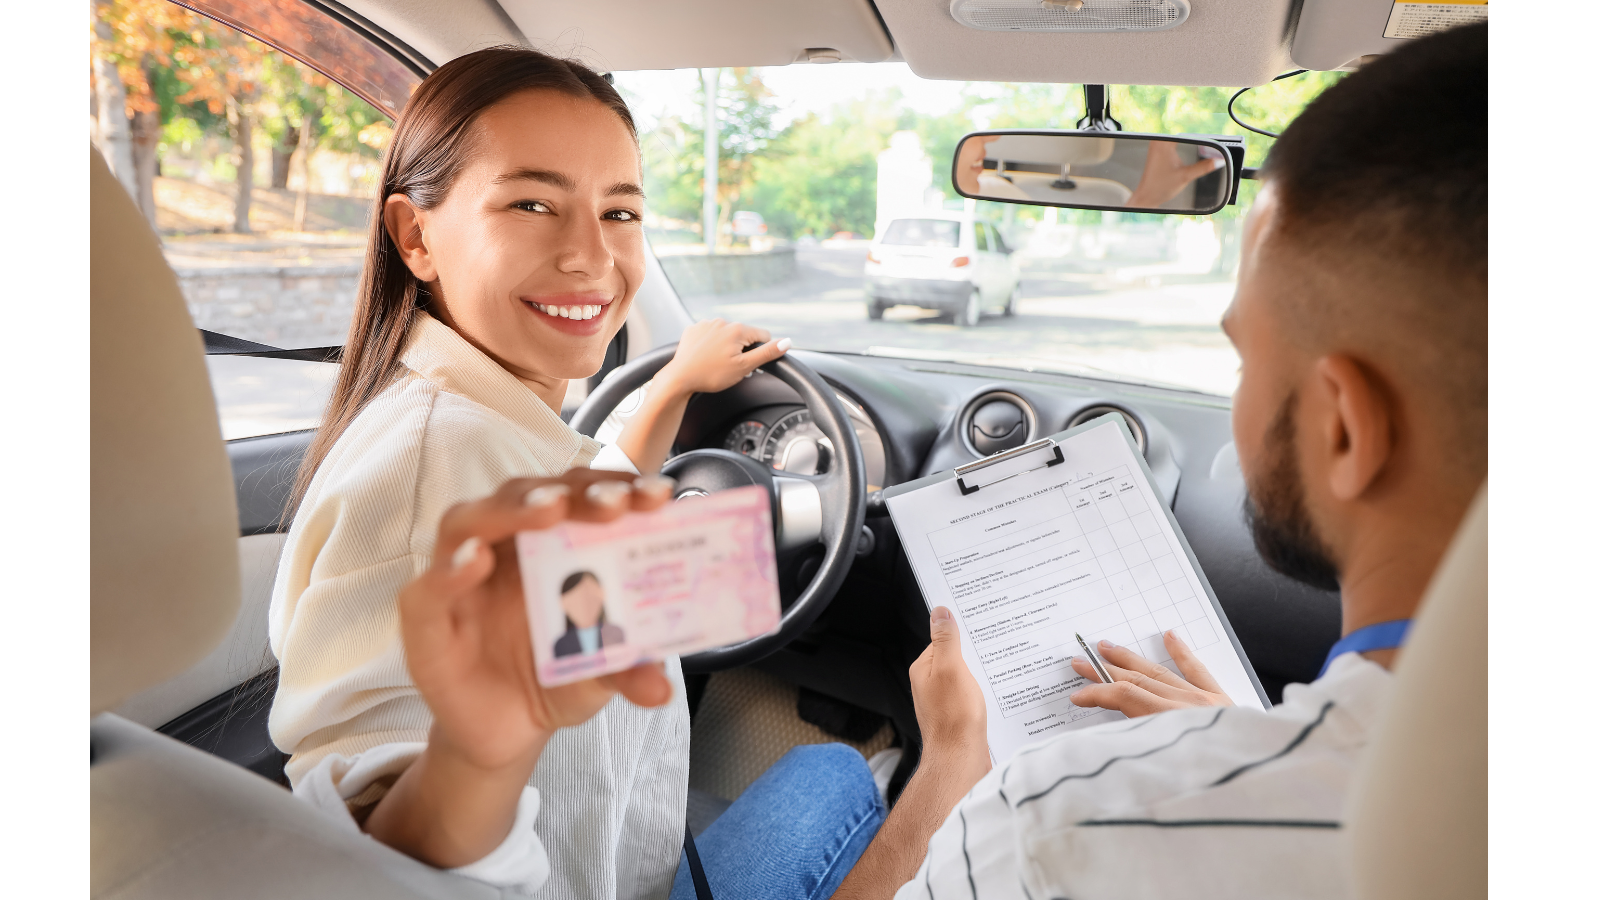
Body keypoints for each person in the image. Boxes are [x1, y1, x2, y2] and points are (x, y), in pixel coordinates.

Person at [831, 21, 1487, 900]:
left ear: (1343, 428)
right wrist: (1243, 736)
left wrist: (953, 760)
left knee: (828, 782)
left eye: (1247, 359)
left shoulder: (1060, 825)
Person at [267, 46, 882, 899]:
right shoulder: (424, 475)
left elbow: (589, 492)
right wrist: (489, 742)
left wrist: (671, 385)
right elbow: (372, 851)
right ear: (416, 237)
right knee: (848, 775)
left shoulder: (493, 430)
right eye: (532, 203)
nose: (592, 257)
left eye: (621, 213)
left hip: (634, 868)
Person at [554, 571, 624, 657]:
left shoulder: (615, 633)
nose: (584, 604)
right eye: (576, 599)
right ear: (563, 604)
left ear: (602, 595)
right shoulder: (561, 644)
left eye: (589, 597)